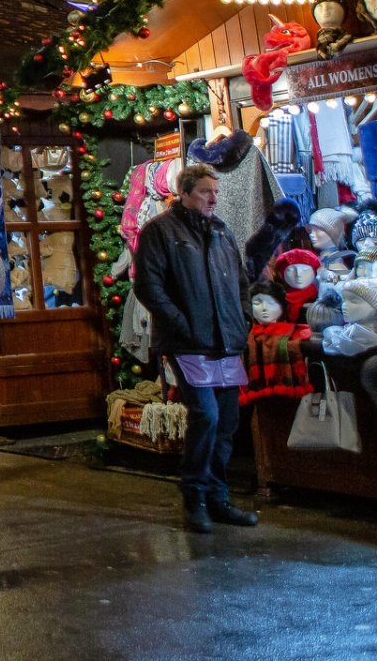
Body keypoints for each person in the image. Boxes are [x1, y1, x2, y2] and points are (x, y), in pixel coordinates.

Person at [133, 161, 258, 533]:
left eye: (215, 192)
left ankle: (218, 498)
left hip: (225, 340)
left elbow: (240, 281)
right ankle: (195, 498)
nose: (212, 199)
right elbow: (148, 287)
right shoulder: (160, 231)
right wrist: (182, 324)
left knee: (228, 422)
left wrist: (243, 318)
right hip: (188, 342)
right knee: (206, 416)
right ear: (184, 193)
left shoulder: (221, 232)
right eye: (205, 192)